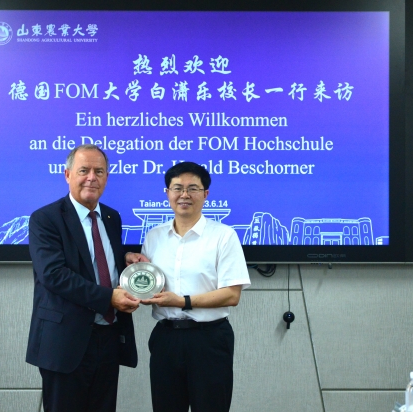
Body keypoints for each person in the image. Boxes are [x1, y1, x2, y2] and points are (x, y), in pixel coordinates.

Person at [26, 144, 144, 412]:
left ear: (107, 177)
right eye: (84, 170)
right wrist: (109, 298)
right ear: (67, 175)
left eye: (99, 171)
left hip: (109, 338)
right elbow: (54, 275)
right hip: (65, 342)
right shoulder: (45, 218)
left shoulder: (112, 217)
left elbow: (98, 258)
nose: (92, 177)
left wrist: (125, 257)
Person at [139, 161, 251, 412]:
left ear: (205, 194)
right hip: (165, 339)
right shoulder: (154, 236)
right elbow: (147, 285)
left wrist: (182, 302)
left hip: (209, 340)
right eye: (177, 188)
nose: (184, 195)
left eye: (193, 188)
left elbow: (232, 295)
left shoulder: (224, 236)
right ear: (167, 193)